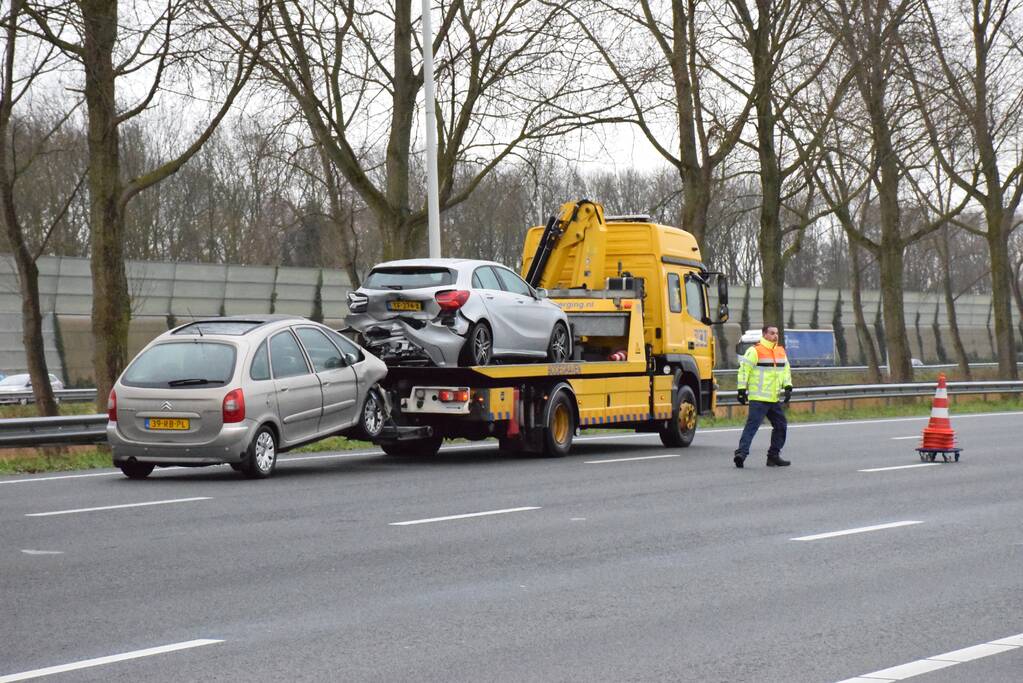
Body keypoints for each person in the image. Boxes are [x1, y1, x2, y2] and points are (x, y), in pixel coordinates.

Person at [734, 325, 793, 468]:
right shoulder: (755, 351)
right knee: (752, 427)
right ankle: (741, 454)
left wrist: (788, 386)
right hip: (759, 399)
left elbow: (785, 370)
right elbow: (744, 370)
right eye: (772, 333)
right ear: (764, 334)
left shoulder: (780, 351)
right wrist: (741, 389)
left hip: (773, 399)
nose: (775, 336)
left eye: (777, 333)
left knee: (781, 426)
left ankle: (773, 456)